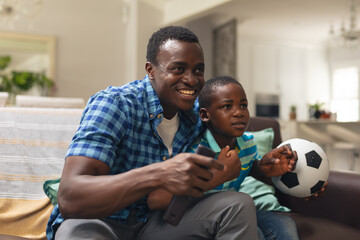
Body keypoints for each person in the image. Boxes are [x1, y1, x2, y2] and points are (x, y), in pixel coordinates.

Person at [47, 26, 260, 240]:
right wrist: (160, 173)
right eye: (178, 69)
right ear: (151, 70)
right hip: (98, 220)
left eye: (198, 70)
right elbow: (70, 198)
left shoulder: (196, 113)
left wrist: (266, 165)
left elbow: (234, 131)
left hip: (157, 223)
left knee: (237, 205)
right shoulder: (115, 104)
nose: (192, 80)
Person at [147, 76, 299, 240]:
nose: (238, 112)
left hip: (231, 214)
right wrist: (215, 175)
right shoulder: (193, 149)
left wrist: (264, 166)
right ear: (205, 115)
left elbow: (250, 168)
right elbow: (156, 200)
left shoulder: (247, 144)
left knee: (285, 225)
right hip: (188, 215)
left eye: (243, 105)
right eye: (227, 106)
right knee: (258, 234)